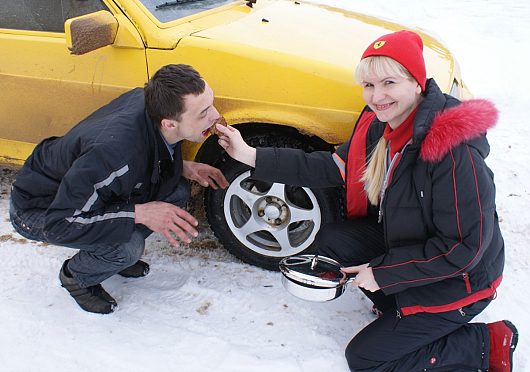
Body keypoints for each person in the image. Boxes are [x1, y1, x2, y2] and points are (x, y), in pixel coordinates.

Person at [215, 31, 518, 371]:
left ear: (417, 83)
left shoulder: (452, 152)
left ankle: (484, 343)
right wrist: (250, 155)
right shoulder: (381, 125)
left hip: (461, 281)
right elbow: (330, 168)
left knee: (365, 359)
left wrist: (385, 274)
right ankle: (400, 309)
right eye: (369, 86)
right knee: (331, 241)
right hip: (414, 243)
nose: (377, 96)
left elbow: (465, 248)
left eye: (389, 82)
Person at [9, 64, 229, 314]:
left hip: (86, 190)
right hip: (42, 208)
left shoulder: (153, 103)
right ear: (168, 124)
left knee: (175, 191)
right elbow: (61, 225)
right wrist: (140, 214)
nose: (215, 115)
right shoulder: (114, 154)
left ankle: (108, 255)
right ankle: (78, 277)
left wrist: (182, 166)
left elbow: (146, 151)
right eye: (203, 113)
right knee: (126, 248)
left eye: (211, 104)